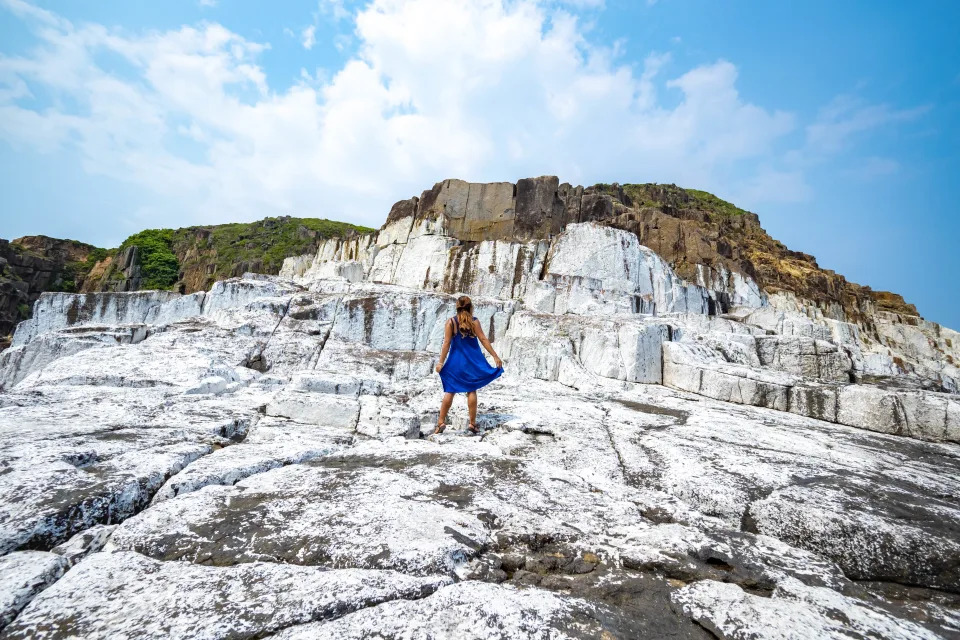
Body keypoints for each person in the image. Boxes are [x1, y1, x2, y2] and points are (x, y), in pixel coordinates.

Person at [434, 295, 503, 435]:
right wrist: (495, 356)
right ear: (471, 307)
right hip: (472, 362)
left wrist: (441, 362)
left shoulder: (451, 323)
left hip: (455, 362)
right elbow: (483, 339)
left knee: (450, 390)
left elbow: (446, 344)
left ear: (456, 307)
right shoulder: (474, 322)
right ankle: (472, 424)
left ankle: (440, 422)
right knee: (472, 390)